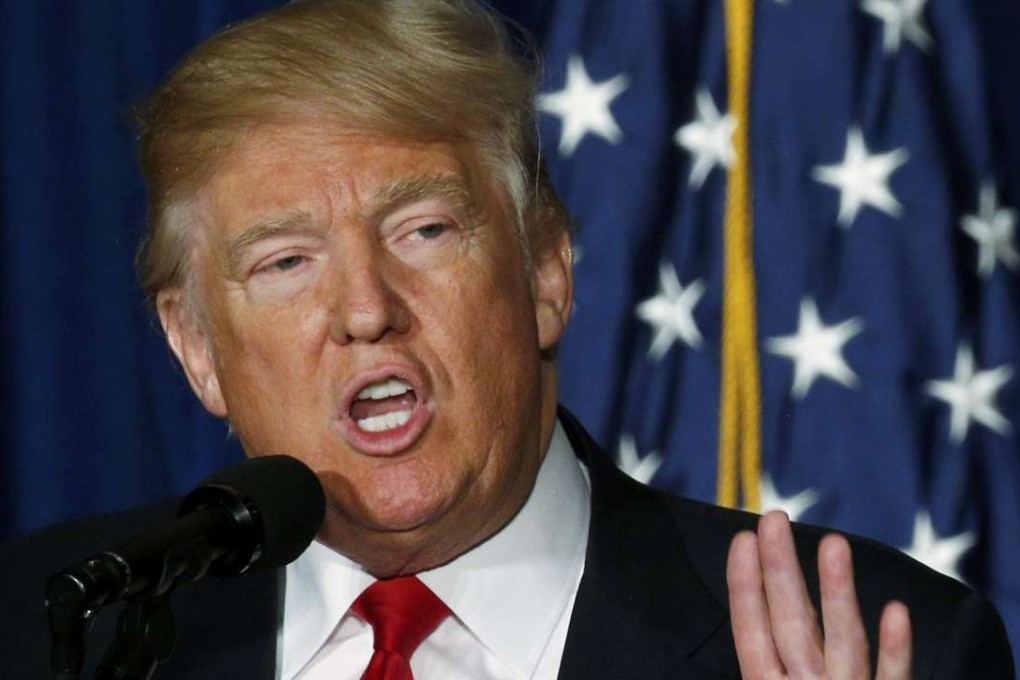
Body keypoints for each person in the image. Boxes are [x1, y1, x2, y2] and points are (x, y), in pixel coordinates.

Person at [0, 1, 1013, 678]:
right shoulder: (61, 623)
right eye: (285, 261)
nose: (366, 307)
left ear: (544, 274)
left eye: (424, 231)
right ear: (197, 348)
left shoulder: (889, 644)